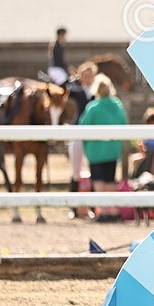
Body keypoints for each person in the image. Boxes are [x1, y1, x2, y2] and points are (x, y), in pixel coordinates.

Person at [80, 74, 128, 222]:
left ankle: (102, 211)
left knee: (98, 181)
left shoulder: (93, 107)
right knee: (110, 181)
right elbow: (124, 123)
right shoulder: (118, 105)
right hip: (112, 149)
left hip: (95, 151)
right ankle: (112, 211)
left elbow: (83, 126)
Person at [65, 62, 97, 200]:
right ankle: (74, 205)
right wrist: (71, 79)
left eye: (89, 76)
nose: (87, 78)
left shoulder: (97, 93)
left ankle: (93, 205)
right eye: (84, 76)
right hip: (79, 130)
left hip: (94, 132)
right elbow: (64, 88)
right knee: (76, 169)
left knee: (94, 168)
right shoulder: (77, 92)